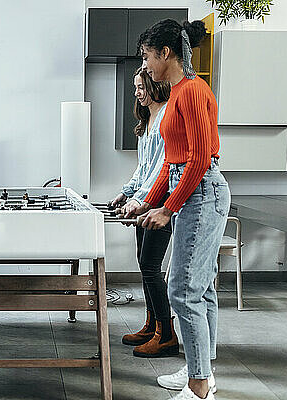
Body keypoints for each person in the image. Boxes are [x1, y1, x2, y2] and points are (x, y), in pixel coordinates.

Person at [130, 19, 231, 400]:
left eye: (147, 57)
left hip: (202, 192)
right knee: (200, 289)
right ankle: (199, 368)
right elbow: (174, 162)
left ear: (165, 53)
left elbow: (200, 159)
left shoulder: (191, 91)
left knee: (183, 289)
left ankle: (200, 385)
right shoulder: (176, 94)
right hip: (190, 188)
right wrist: (145, 200)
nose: (146, 66)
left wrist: (168, 209)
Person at [109, 67, 178, 358]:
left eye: (140, 87)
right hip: (144, 201)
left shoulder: (165, 118)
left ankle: (166, 333)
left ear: (153, 85)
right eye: (135, 87)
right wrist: (126, 193)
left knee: (151, 267)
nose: (136, 92)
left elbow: (162, 169)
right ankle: (152, 325)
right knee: (144, 265)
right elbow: (143, 169)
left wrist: (142, 201)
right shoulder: (148, 119)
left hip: (159, 203)